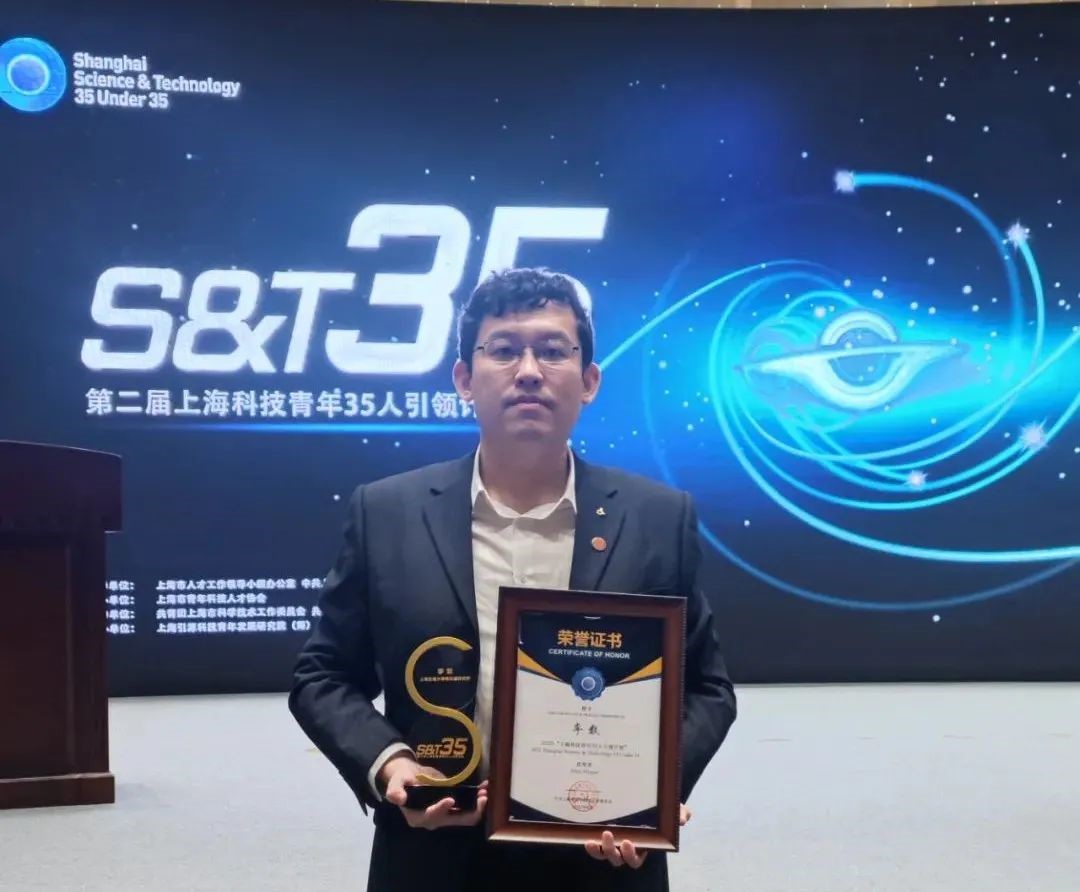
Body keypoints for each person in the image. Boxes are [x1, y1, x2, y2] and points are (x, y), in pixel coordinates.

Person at [289, 267, 737, 891]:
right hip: (433, 851)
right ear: (464, 380)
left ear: (589, 381)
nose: (528, 371)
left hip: (603, 861)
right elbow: (323, 675)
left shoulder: (658, 518)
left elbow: (708, 689)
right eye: (503, 350)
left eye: (553, 351)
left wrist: (653, 793)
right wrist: (388, 763)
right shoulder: (387, 513)